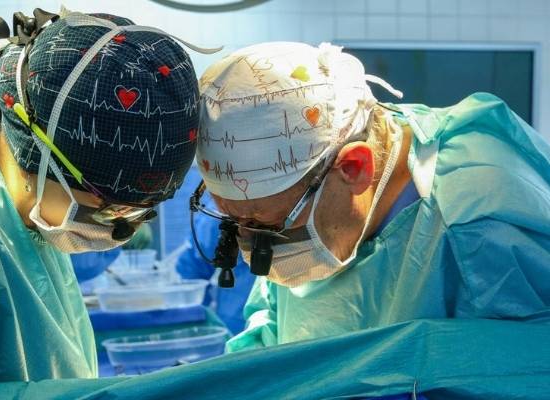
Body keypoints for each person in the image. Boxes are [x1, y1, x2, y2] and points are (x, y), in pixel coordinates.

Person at [0, 9, 202, 383]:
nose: (120, 230)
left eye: (140, 213)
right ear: (36, 150)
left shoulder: (25, 215)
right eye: (107, 210)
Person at [193, 41, 550, 352]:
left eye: (266, 226)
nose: (253, 248)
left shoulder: (482, 230)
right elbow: (272, 335)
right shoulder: (303, 212)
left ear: (354, 168)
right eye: (235, 221)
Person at [175, 197, 254, 334]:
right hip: (235, 329)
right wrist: (196, 323)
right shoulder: (221, 212)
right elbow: (191, 275)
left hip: (283, 327)